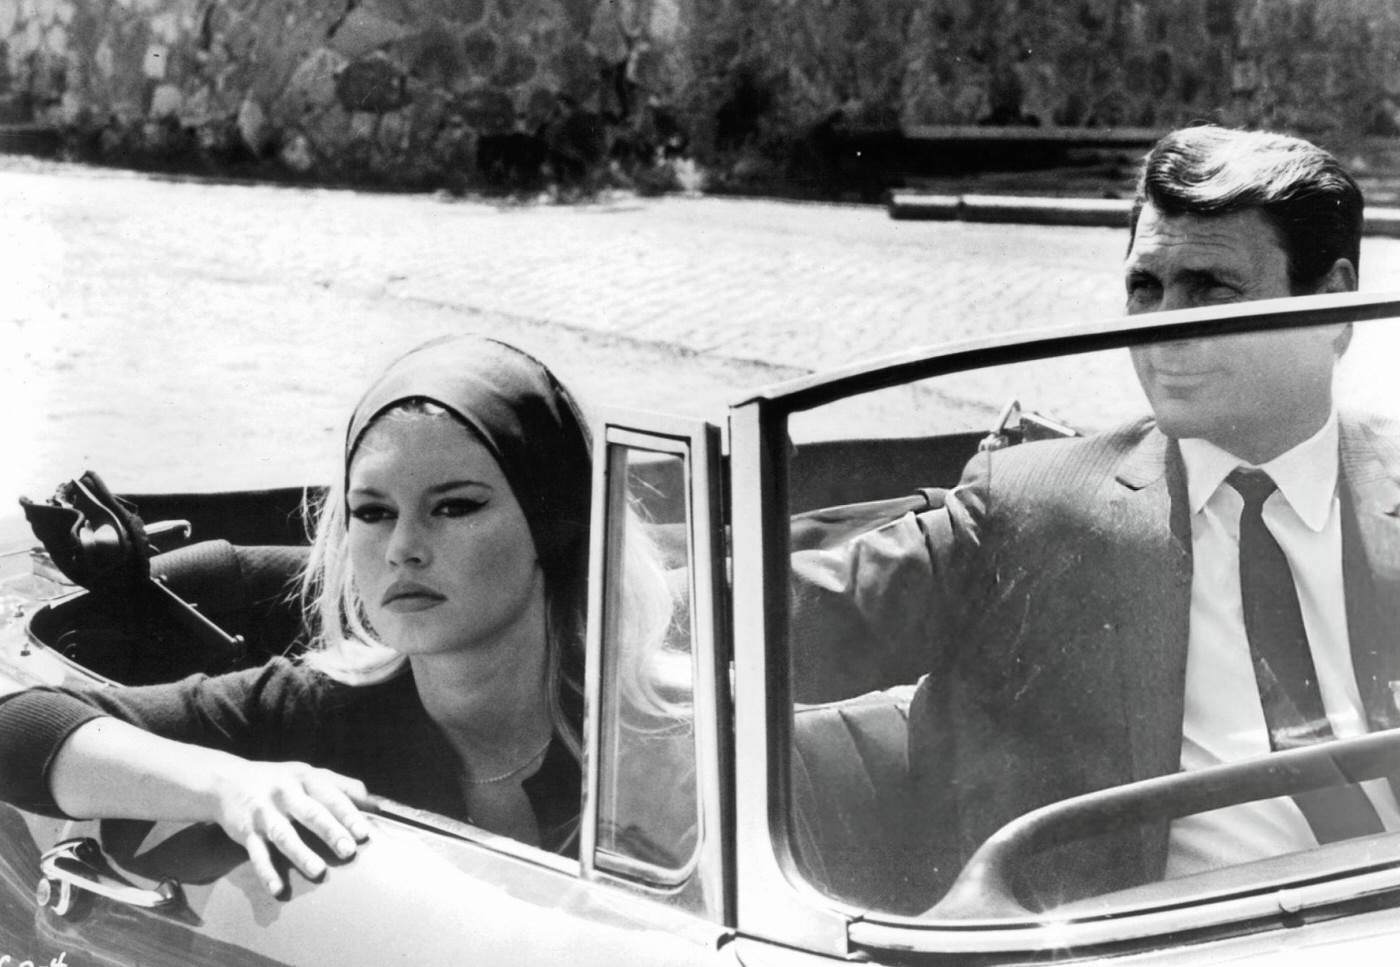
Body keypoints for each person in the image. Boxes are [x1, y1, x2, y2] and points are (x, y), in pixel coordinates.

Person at [790, 125, 1400, 909]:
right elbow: (796, 610)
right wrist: (609, 582)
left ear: (1332, 304)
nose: (1161, 325)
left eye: (1211, 287)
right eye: (1145, 287)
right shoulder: (1034, 507)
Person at [0, 334, 675, 897]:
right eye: (374, 512)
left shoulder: (669, 736)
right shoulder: (312, 710)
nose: (404, 548)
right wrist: (228, 782)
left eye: (455, 506)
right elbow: (17, 724)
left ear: (553, 524)